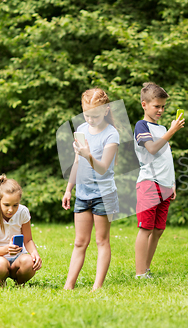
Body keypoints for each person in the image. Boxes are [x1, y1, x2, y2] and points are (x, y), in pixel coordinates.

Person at [62, 88, 120, 291]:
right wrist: (69, 189)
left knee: (101, 241)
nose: (90, 119)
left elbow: (103, 167)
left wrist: (88, 155)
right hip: (83, 194)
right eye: (86, 115)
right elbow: (77, 162)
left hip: (104, 195)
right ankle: (69, 285)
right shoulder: (81, 129)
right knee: (79, 242)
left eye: (94, 115)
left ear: (105, 111)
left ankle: (97, 286)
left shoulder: (112, 134)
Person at [133, 82, 185, 278]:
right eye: (157, 106)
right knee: (145, 228)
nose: (161, 110)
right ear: (144, 105)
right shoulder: (141, 125)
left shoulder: (162, 127)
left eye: (163, 106)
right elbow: (152, 149)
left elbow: (165, 158)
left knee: (158, 229)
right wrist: (172, 131)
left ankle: (146, 268)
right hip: (148, 182)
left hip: (165, 184)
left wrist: (172, 184)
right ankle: (140, 273)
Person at [0, 174, 42, 286]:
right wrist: (7, 249)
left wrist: (35, 253)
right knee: (0, 265)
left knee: (29, 262)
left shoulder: (23, 212)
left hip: (18, 258)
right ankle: (1, 283)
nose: (11, 210)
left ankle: (19, 283)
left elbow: (28, 240)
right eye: (6, 205)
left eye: (15, 205)